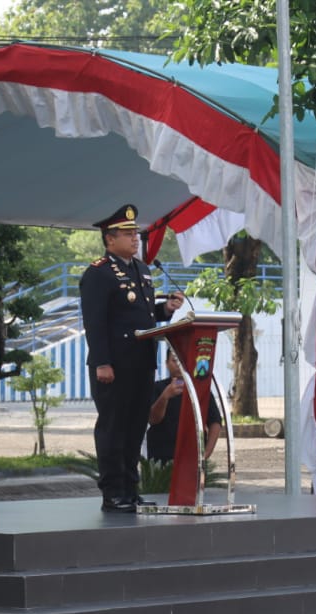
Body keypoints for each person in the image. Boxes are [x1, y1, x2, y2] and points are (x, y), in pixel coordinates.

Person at [79, 204, 184, 512]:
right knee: (114, 428)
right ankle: (113, 492)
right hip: (114, 365)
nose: (135, 238)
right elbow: (95, 322)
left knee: (136, 428)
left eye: (136, 233)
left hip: (142, 363)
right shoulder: (99, 273)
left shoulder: (141, 269)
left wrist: (166, 310)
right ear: (109, 239)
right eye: (127, 234)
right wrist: (102, 362)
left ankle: (130, 489)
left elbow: (143, 314)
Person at [146, 350, 223, 464]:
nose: (179, 365)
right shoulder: (157, 387)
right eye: (175, 361)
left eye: (183, 361)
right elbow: (153, 419)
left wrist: (206, 453)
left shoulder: (200, 389)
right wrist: (165, 396)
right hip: (161, 456)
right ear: (167, 363)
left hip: (191, 454)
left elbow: (215, 421)